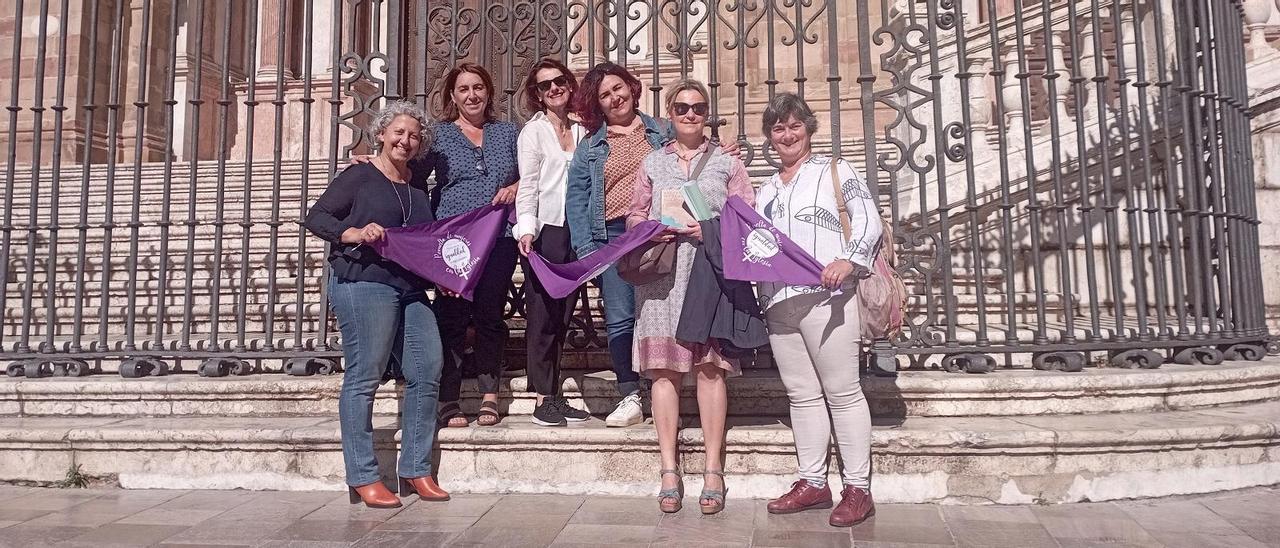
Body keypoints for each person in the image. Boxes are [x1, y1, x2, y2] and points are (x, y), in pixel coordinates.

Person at [304, 100, 450, 508]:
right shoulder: (359, 175)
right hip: (364, 282)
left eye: (414, 136)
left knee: (427, 370)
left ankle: (416, 468)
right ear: (381, 134)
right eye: (398, 132)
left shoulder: (417, 185)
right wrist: (352, 232)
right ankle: (363, 476)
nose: (406, 140)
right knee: (365, 376)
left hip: (411, 287)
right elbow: (317, 217)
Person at [625, 79, 754, 514]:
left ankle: (714, 469)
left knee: (710, 369)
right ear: (670, 113)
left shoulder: (726, 163)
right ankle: (668, 468)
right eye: (681, 108)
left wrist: (709, 230)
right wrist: (649, 228)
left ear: (707, 113)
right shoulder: (652, 162)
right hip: (661, 277)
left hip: (707, 274)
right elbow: (634, 216)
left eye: (698, 108)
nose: (691, 115)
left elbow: (746, 218)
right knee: (663, 371)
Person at [756, 93, 882, 527]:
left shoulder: (835, 170)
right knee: (801, 394)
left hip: (829, 298)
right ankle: (812, 482)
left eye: (794, 126)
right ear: (770, 137)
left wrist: (849, 258)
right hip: (778, 301)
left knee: (843, 392)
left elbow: (868, 218)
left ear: (808, 128)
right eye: (778, 128)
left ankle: (858, 488)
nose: (787, 135)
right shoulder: (768, 187)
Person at [564, 62, 670, 428]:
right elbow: (576, 200)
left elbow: (698, 160)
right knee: (621, 318)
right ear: (598, 105)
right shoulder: (591, 146)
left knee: (660, 312)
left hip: (659, 235)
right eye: (604, 95)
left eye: (618, 88)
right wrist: (586, 251)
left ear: (631, 87)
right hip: (610, 237)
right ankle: (630, 392)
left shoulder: (662, 132)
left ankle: (664, 389)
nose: (615, 97)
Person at [415, 63, 520, 427]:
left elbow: (535, 173)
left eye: (478, 87)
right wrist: (373, 163)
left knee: (490, 316)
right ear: (452, 96)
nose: (472, 95)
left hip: (498, 238)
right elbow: (410, 175)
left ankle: (490, 395)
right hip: (454, 242)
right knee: (453, 318)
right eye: (463, 89)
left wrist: (517, 187)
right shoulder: (439, 136)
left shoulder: (508, 133)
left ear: (488, 92)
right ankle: (449, 397)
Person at [514, 58, 592, 426]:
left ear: (570, 84)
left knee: (564, 314)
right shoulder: (533, 133)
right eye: (545, 85)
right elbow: (527, 184)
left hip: (578, 230)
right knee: (543, 313)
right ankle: (543, 397)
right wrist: (526, 228)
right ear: (537, 94)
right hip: (547, 231)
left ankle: (556, 393)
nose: (554, 89)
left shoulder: (584, 130)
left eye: (559, 81)